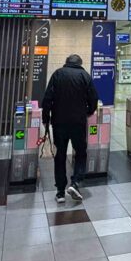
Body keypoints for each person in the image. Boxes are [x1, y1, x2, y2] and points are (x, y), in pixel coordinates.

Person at [42, 54, 99, 203]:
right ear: (80, 63)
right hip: (78, 122)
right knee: (80, 152)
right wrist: (88, 112)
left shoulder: (58, 74)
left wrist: (45, 119)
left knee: (60, 155)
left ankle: (60, 192)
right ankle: (75, 182)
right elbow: (93, 99)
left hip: (59, 122)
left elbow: (47, 98)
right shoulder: (84, 76)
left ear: (66, 62)